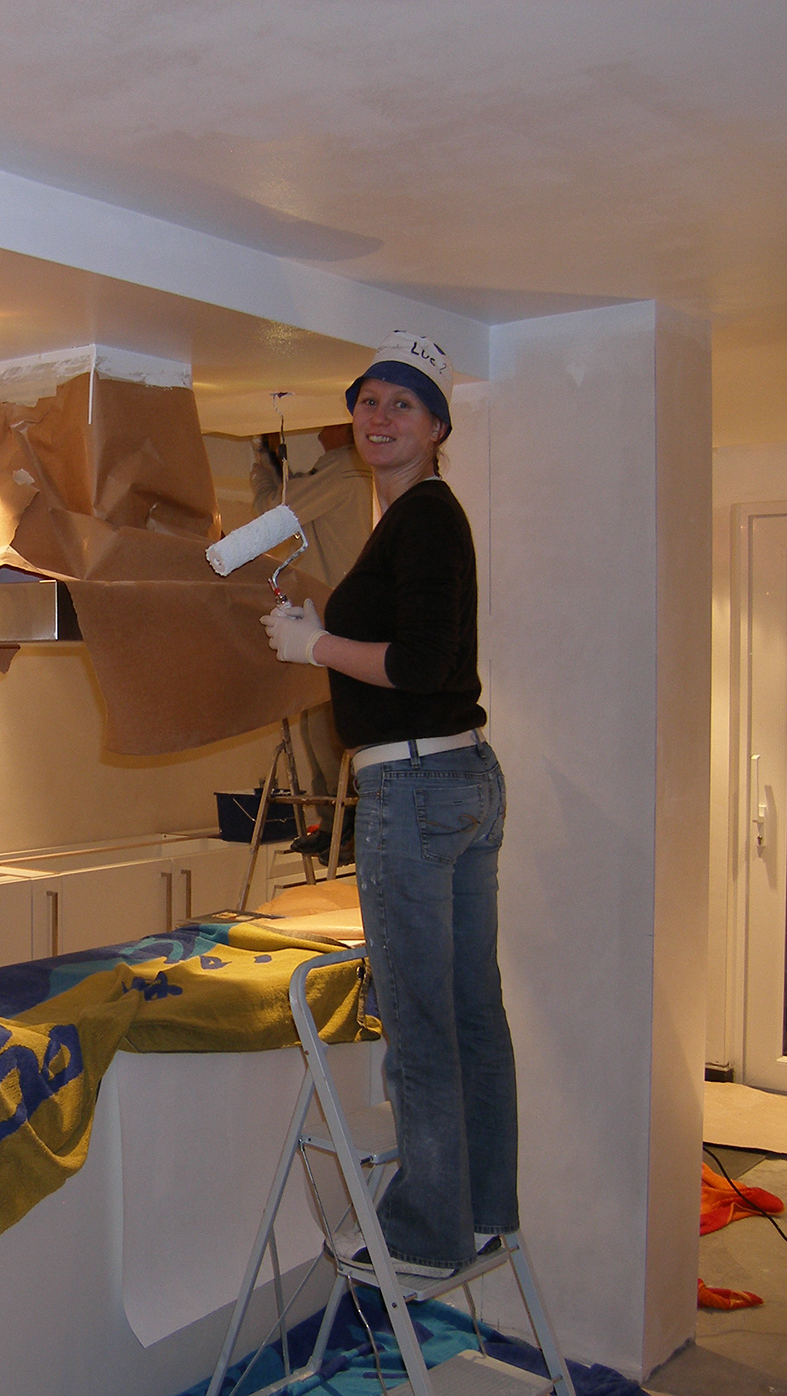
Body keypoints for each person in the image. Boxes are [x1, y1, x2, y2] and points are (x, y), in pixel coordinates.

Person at [260, 331, 516, 1282]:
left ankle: (422, 1232)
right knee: (471, 1008)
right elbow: (420, 651)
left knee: (419, 1018)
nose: (379, 417)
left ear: (437, 426)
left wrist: (314, 649)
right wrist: (321, 628)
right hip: (459, 777)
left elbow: (420, 665)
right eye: (368, 401)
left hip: (413, 786)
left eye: (402, 404)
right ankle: (481, 1211)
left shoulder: (425, 519)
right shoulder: (413, 520)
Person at [250, 422, 374, 840]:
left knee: (324, 730)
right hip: (338, 621)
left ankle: (344, 827)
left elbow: (273, 515)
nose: (321, 429)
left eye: (329, 422)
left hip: (329, 624)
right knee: (317, 727)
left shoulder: (342, 471)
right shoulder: (356, 474)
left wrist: (262, 468)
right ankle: (337, 824)